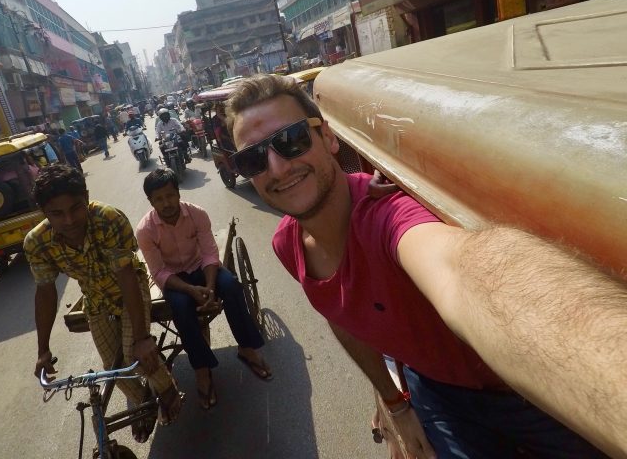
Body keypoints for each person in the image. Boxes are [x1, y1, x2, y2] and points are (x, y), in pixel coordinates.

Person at [225, 74, 625, 459]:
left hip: (535, 395)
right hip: (437, 392)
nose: (277, 168)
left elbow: (460, 271)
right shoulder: (286, 242)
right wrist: (392, 402)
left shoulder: (387, 212)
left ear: (327, 137)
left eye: (291, 140)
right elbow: (340, 316)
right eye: (254, 159)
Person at [25, 164, 183, 443]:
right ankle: (147, 401)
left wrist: (143, 337)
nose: (70, 220)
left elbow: (126, 278)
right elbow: (45, 293)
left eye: (75, 208)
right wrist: (43, 349)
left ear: (86, 198)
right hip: (95, 301)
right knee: (111, 369)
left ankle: (168, 391)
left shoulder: (108, 219)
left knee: (135, 353)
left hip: (131, 290)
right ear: (44, 213)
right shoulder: (36, 243)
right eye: (57, 214)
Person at [135, 168, 270, 409]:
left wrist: (208, 287)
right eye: (159, 199)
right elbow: (159, 272)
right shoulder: (145, 231)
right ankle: (202, 369)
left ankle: (246, 348)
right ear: (151, 201)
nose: (166, 203)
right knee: (180, 308)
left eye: (169, 196)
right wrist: (189, 290)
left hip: (200, 267)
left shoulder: (197, 214)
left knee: (230, 285)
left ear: (178, 193)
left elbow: (209, 253)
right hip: (174, 277)